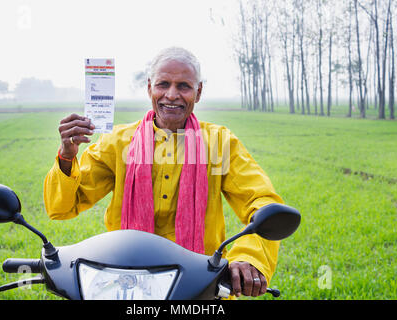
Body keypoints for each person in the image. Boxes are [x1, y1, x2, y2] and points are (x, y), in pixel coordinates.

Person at [43, 47, 284, 298]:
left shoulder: (220, 143)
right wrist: (67, 156)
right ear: (149, 88)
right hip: (125, 282)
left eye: (183, 86)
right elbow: (62, 206)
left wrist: (248, 258)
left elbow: (263, 203)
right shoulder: (117, 142)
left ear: (198, 92)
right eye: (163, 84)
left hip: (200, 286)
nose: (171, 95)